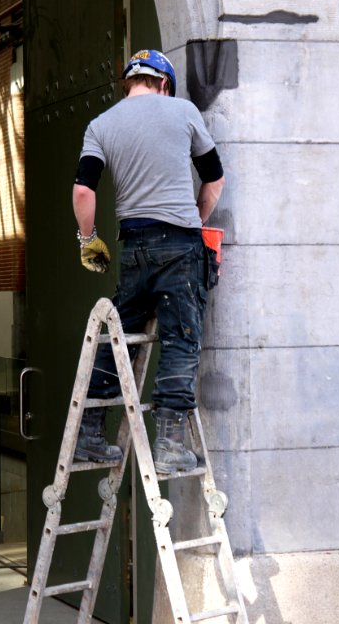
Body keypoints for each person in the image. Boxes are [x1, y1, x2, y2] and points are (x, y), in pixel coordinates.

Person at [71, 49, 225, 473]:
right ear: (164, 83)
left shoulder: (101, 125)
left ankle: (88, 433)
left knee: (119, 334)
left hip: (134, 246)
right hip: (180, 244)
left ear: (130, 83)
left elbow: (84, 191)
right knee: (180, 340)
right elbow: (214, 178)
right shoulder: (183, 110)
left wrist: (89, 239)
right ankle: (171, 443)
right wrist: (197, 219)